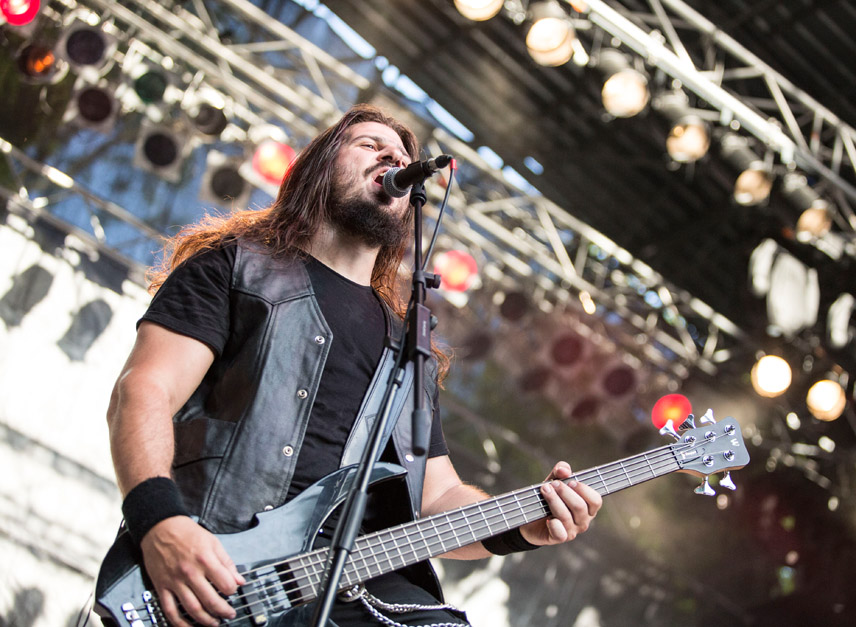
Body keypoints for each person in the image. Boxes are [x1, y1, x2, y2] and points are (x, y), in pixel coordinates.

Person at [105, 104, 602, 627]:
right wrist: (159, 522)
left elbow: (436, 496)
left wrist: (524, 525)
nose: (394, 154)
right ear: (317, 168)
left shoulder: (409, 345)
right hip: (221, 570)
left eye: (402, 152)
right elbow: (143, 391)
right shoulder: (237, 267)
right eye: (370, 144)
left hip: (345, 590)